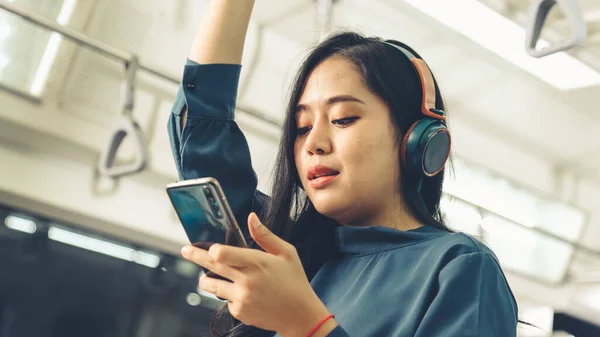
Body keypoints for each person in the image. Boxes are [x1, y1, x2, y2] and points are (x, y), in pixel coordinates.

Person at [167, 1, 519, 336]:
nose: (313, 143)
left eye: (343, 119)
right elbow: (198, 132)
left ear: (417, 139)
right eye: (302, 127)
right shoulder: (288, 258)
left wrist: (306, 325)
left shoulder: (457, 267)